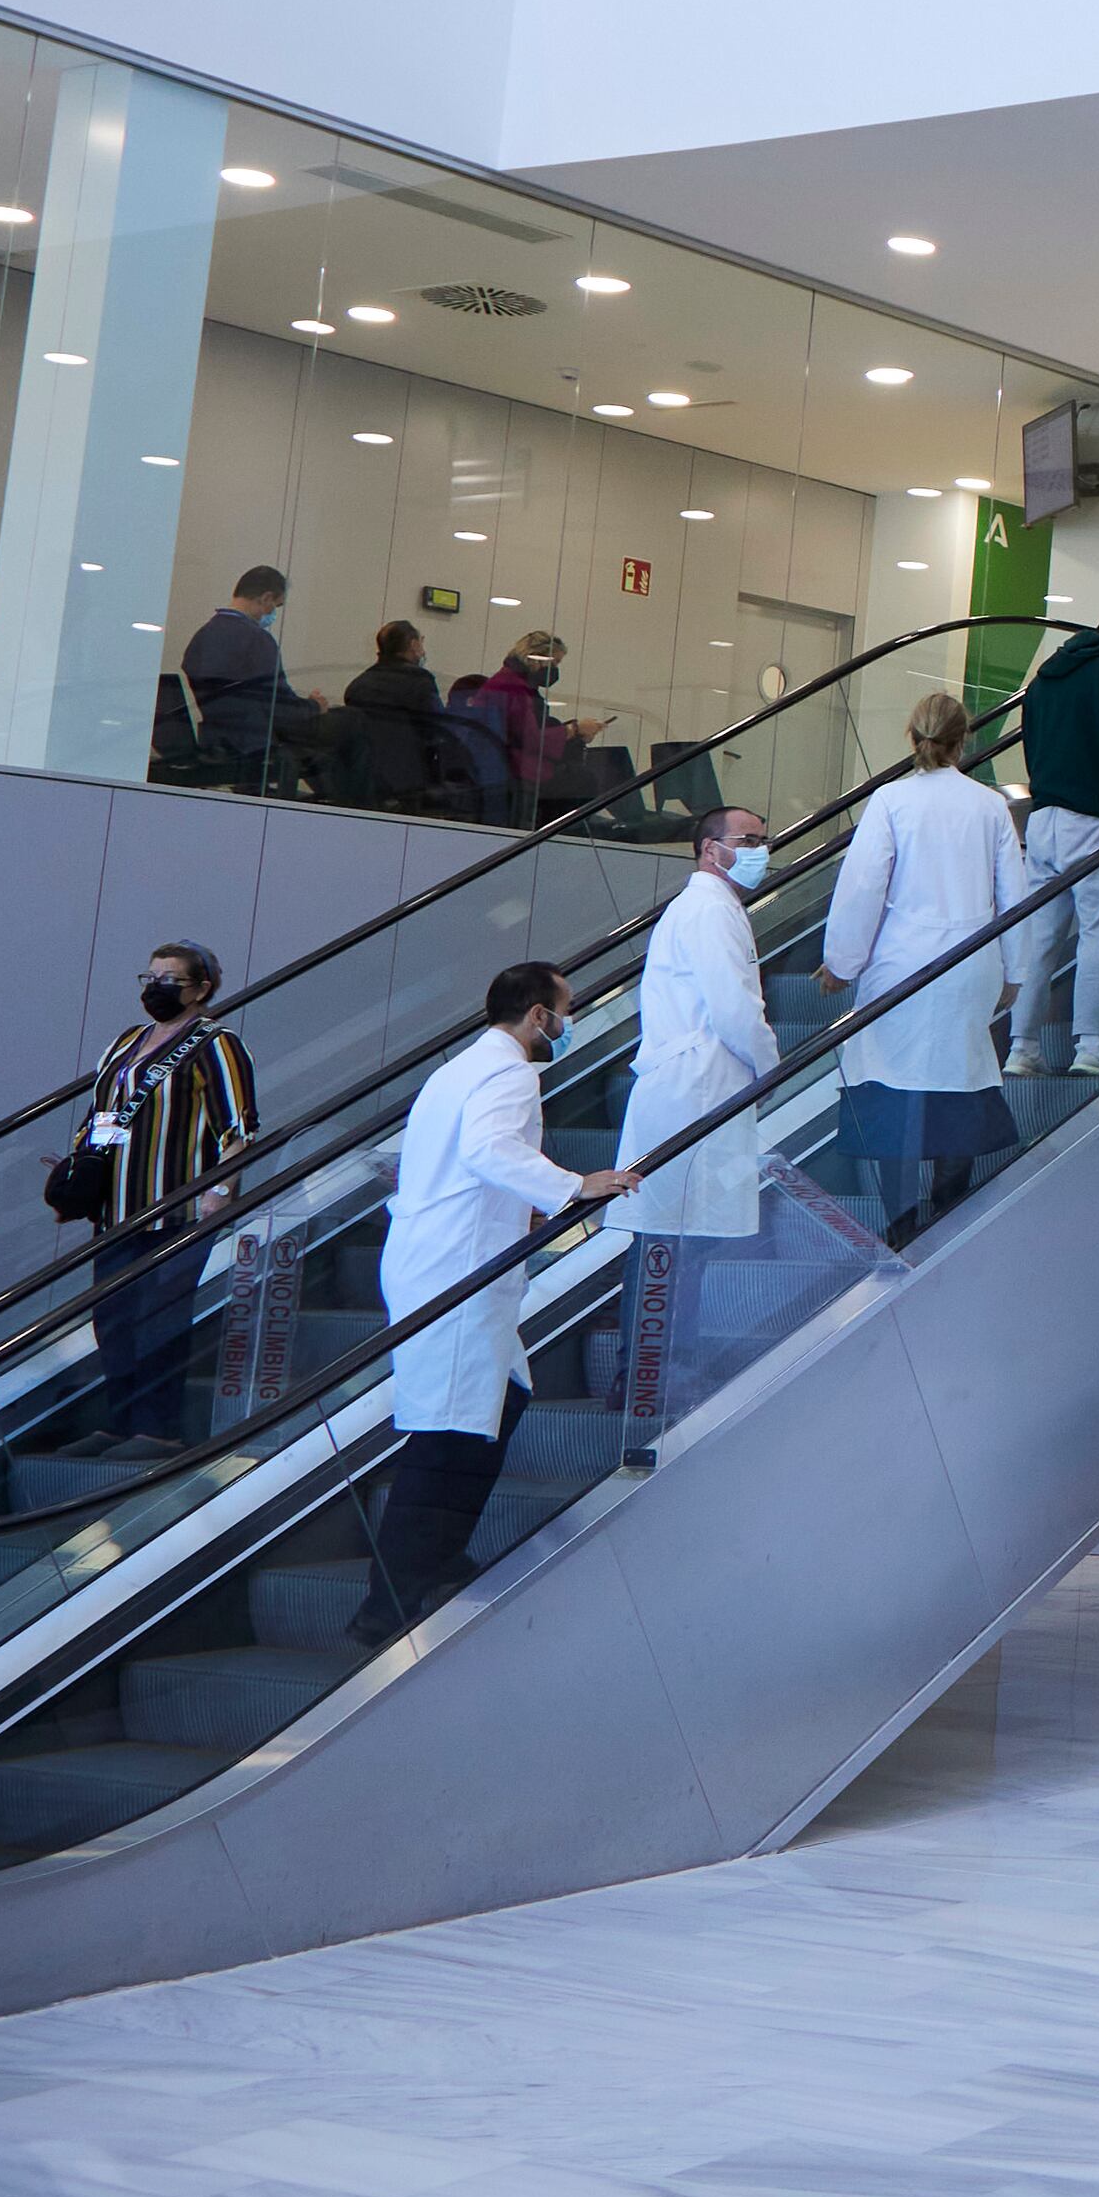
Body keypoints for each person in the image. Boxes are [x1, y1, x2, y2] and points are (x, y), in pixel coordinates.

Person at [356, 966, 636, 1644]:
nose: (570, 1022)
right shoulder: (511, 1074)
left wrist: (518, 1208)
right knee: (446, 1433)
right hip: (456, 1273)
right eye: (568, 1009)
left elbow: (460, 1160)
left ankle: (443, 1551)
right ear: (538, 1015)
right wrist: (572, 1186)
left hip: (440, 1259)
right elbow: (488, 1149)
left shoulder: (457, 1070)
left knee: (504, 1400)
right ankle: (387, 1605)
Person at [821, 692, 1023, 1242]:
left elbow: (863, 886)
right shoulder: (990, 806)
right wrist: (1015, 971)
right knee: (961, 1079)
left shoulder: (891, 800)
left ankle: (901, 1224)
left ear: (912, 737)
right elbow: (1015, 896)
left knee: (895, 1090)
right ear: (964, 741)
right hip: (970, 962)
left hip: (900, 967)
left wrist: (841, 962)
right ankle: (949, 1209)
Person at [614, 806, 779, 1466]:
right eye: (749, 840)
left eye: (764, 840)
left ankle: (646, 1373)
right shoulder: (710, 910)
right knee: (675, 1245)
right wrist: (771, 1067)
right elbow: (733, 1007)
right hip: (696, 1092)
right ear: (711, 850)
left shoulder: (709, 908)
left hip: (691, 1088)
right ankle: (658, 1377)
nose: (762, 850)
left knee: (671, 1240)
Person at [65, 941, 258, 1454]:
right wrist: (81, 1172)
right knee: (113, 1319)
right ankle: (120, 1421)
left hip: (178, 1211)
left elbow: (236, 1127)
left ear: (201, 988)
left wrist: (221, 1192)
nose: (156, 988)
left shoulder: (216, 1043)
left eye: (170, 980)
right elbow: (102, 1111)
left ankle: (159, 1428)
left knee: (159, 1318)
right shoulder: (127, 1042)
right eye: (150, 978)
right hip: (116, 1212)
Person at [1007, 610, 1099, 1081]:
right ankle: (1092, 1044)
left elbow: (1031, 749)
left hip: (1044, 821)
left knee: (1039, 939)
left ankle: (1022, 1047)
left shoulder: (1043, 680)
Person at [177, 565, 322, 788]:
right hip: (254, 745)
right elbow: (281, 708)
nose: (274, 613)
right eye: (277, 605)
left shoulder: (202, 637)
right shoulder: (258, 641)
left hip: (214, 740)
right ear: (266, 598)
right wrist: (314, 706)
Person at [475, 629, 617, 819]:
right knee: (586, 779)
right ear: (537, 659)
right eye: (555, 662)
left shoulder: (509, 682)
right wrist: (574, 729)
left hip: (503, 763)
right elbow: (530, 738)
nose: (555, 669)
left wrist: (575, 733)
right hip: (515, 767)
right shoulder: (515, 688)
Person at [334, 617, 449, 808]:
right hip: (408, 783)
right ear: (413, 645)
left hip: (362, 779)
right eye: (421, 642)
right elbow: (438, 728)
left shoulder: (358, 685)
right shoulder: (419, 681)